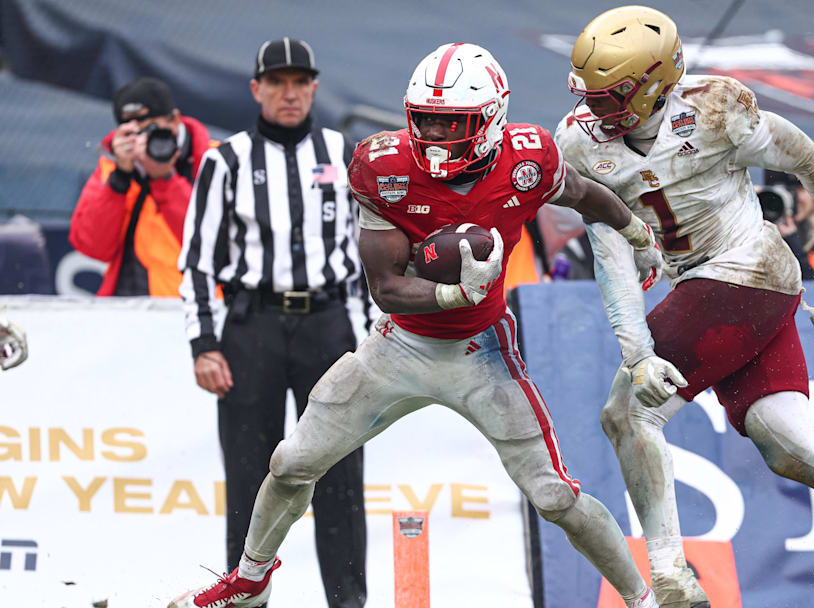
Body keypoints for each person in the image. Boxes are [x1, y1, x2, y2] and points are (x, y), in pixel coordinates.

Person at [168, 42, 666, 608]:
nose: (434, 134)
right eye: (424, 119)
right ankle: (251, 582)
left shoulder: (529, 159)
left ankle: (642, 598)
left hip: (482, 350)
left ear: (491, 119)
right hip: (400, 345)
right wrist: (455, 291)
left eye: (450, 122)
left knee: (554, 495)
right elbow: (384, 287)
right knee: (290, 463)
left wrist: (637, 236)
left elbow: (581, 194)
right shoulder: (384, 167)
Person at [555, 6, 814, 608]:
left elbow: (804, 155)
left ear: (653, 83)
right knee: (786, 443)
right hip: (736, 289)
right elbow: (611, 251)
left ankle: (671, 577)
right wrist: (638, 348)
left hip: (742, 273)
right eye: (590, 94)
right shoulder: (577, 142)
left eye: (610, 96)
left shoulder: (715, 107)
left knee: (627, 415)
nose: (594, 110)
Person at [175, 38, 367, 607]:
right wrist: (203, 344)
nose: (290, 93)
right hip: (251, 326)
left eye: (300, 82)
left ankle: (348, 600)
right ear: (257, 89)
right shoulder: (225, 160)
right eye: (277, 83)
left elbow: (370, 256)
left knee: (339, 473)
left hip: (330, 323)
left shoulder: (344, 153)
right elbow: (197, 261)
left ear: (313, 87)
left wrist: (369, 338)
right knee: (250, 476)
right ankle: (245, 599)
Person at [70, 77, 213, 296]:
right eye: (132, 132)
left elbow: (216, 242)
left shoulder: (215, 160)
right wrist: (119, 179)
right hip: (129, 308)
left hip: (198, 307)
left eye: (150, 129)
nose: (142, 141)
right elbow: (92, 247)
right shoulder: (112, 167)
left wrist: (165, 179)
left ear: (174, 120)